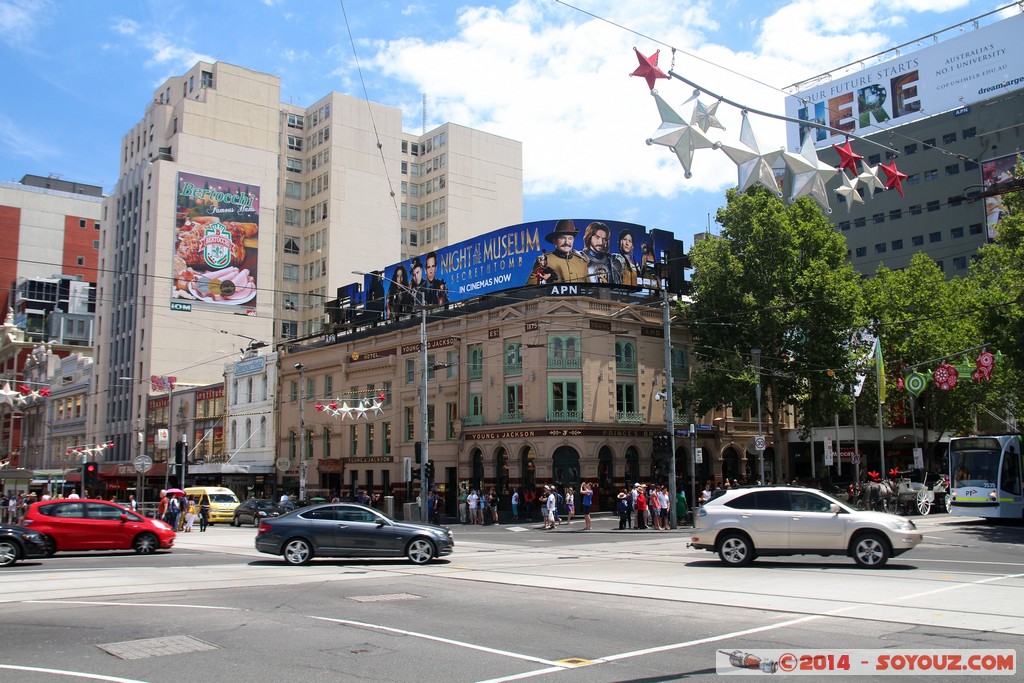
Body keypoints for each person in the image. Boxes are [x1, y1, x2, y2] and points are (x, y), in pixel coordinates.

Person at [526, 220, 587, 284]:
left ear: (573, 240)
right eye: (562, 238)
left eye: (570, 238)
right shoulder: (544, 261)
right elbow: (530, 288)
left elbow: (591, 289)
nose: (567, 242)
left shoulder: (582, 262)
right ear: (554, 240)